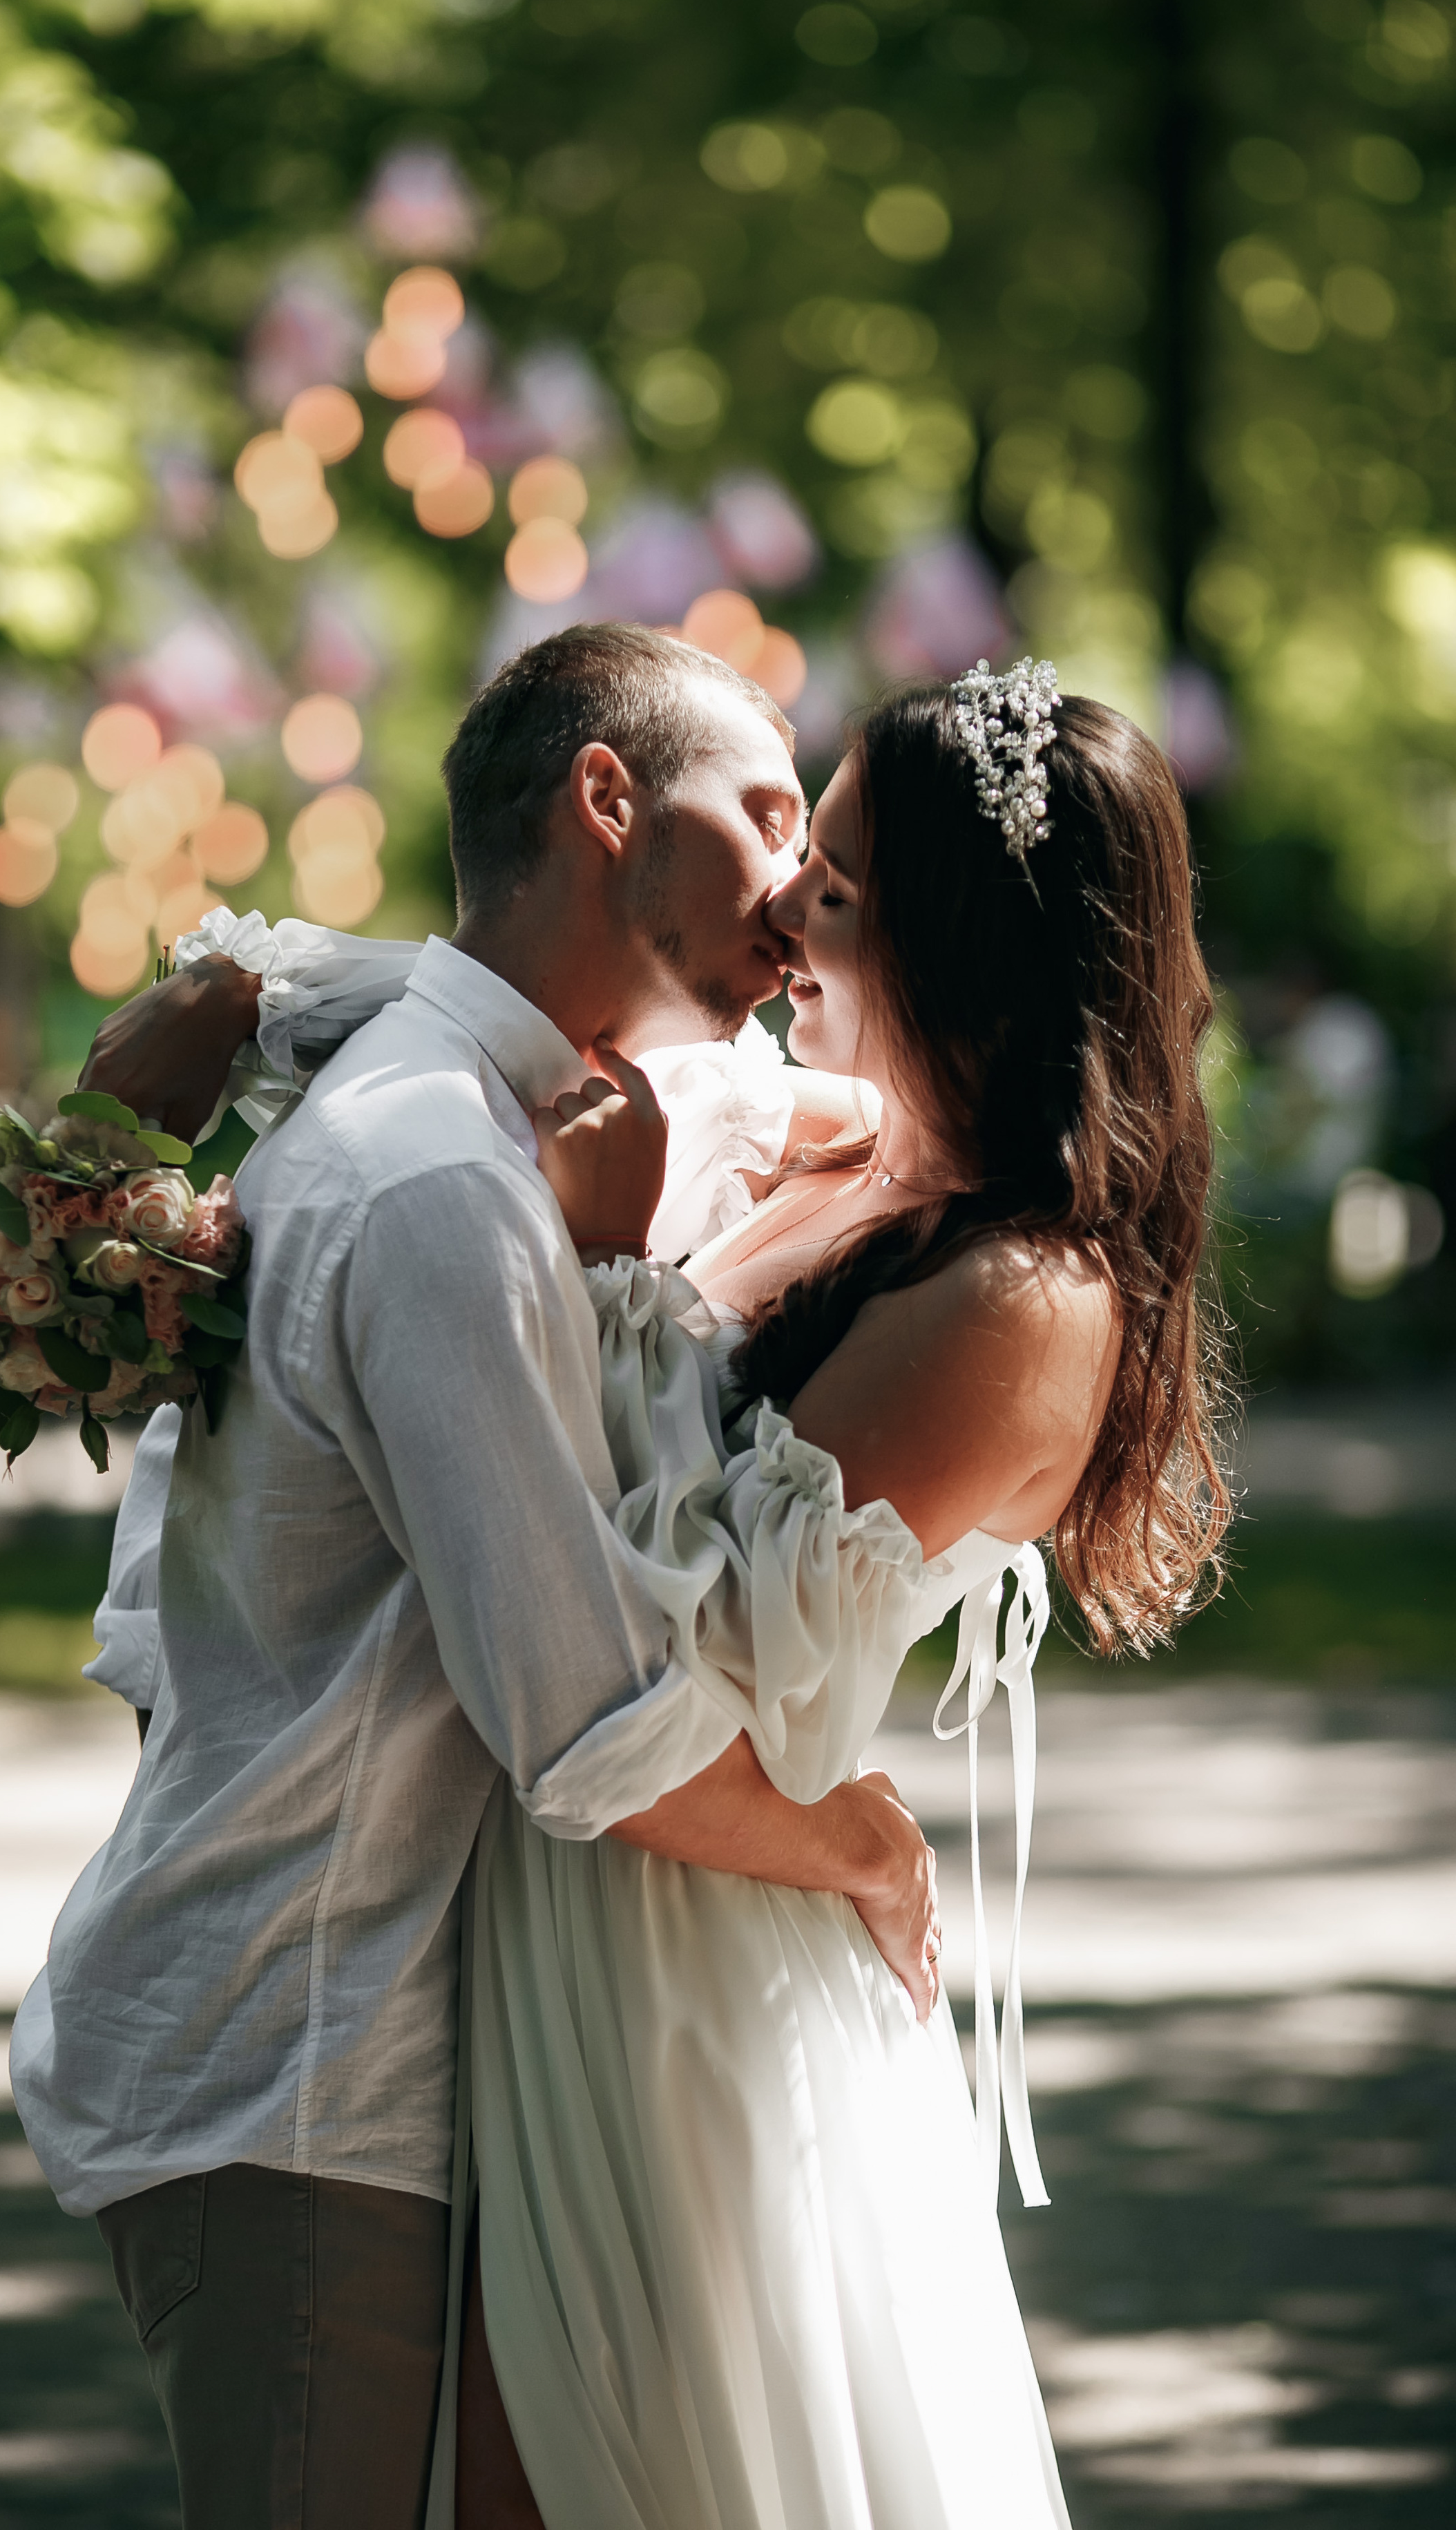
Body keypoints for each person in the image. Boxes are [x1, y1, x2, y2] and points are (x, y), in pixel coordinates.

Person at [9, 624, 965, 2530]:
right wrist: (860, 1843)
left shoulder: (498, 1100)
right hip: (299, 2068)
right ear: (607, 800)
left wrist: (266, 974)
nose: (799, 892)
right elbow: (583, 1723)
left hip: (351, 2064)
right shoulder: (441, 1173)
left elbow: (831, 1117)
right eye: (768, 814)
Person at [442, 658, 1230, 2527]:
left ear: (970, 954)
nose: (791, 905)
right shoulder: (849, 1152)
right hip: (576, 1893)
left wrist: (603, 1249)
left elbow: (674, 1633)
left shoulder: (1023, 1301)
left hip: (687, 1958)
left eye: (848, 889)